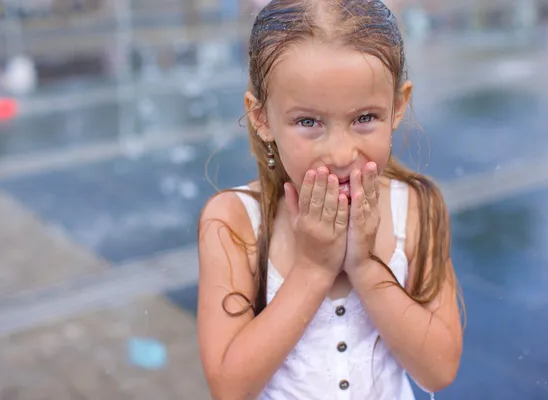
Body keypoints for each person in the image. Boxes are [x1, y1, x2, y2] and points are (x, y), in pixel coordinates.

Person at [197, 1, 464, 399]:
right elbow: (229, 388)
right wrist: (314, 268)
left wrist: (365, 267)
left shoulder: (414, 208)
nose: (341, 153)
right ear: (261, 117)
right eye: (308, 122)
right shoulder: (234, 222)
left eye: (364, 118)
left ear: (398, 105)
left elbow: (439, 370)